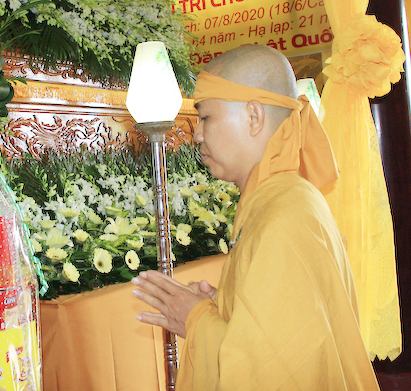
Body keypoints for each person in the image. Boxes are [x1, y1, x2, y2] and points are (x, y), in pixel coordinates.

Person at [131, 44, 381, 390]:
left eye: (205, 117)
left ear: (253, 116)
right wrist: (221, 306)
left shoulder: (284, 216)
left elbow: (270, 373)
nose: (197, 134)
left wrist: (195, 318)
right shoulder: (280, 198)